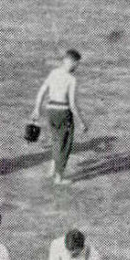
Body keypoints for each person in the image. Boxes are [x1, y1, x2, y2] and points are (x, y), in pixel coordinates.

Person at [31, 49, 88, 185]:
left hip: (50, 110)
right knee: (65, 145)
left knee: (56, 140)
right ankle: (59, 178)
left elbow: (41, 92)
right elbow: (73, 105)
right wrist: (81, 122)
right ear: (71, 62)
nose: (77, 67)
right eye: (77, 64)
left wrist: (37, 109)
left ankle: (52, 169)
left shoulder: (53, 73)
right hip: (63, 113)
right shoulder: (71, 79)